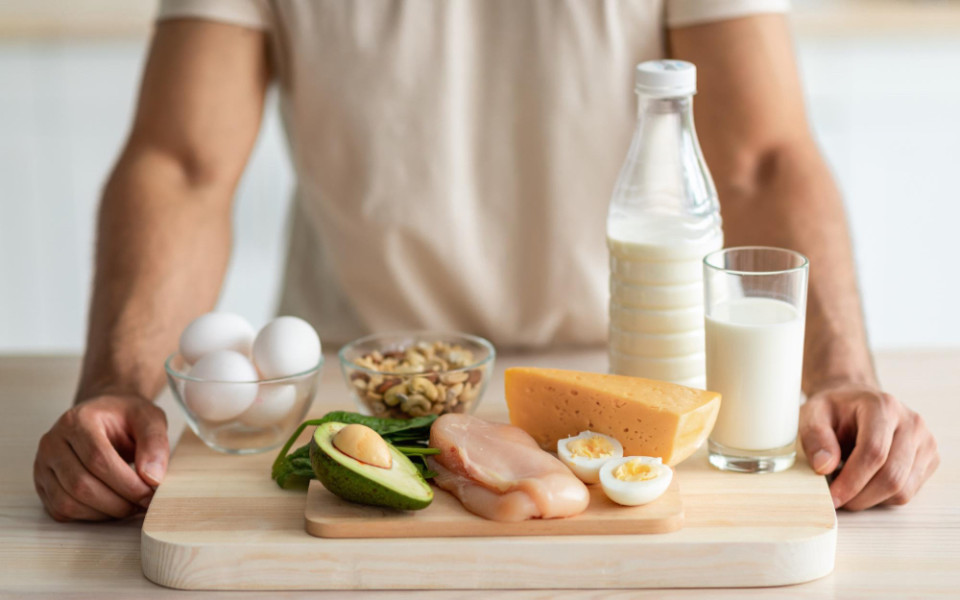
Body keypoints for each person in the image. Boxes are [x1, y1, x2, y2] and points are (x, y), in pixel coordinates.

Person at [33, 1, 938, 522]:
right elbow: (182, 163)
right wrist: (115, 388)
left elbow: (763, 156)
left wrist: (842, 375)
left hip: (629, 390)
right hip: (364, 392)